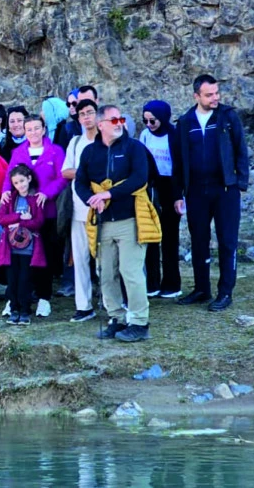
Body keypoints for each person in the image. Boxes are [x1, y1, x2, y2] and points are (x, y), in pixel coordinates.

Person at [75, 105, 157, 343]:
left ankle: (140, 322)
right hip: (103, 222)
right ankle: (117, 318)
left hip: (131, 219)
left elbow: (139, 178)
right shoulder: (90, 152)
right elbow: (80, 183)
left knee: (131, 272)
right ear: (100, 125)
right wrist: (91, 199)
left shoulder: (134, 148)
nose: (119, 123)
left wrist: (107, 195)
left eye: (121, 118)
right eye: (113, 120)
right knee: (106, 273)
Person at [172, 74, 249, 312]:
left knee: (227, 242)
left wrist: (240, 183)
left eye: (216, 93)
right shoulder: (185, 122)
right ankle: (201, 288)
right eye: (209, 95)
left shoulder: (228, 117)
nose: (215, 98)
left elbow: (241, 150)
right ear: (196, 96)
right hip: (196, 191)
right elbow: (178, 161)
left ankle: (225, 291)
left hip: (225, 189)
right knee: (199, 241)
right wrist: (178, 193)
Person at [0, 115, 67, 317]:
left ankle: (44, 298)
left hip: (46, 212)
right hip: (21, 213)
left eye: (37, 128)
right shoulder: (18, 152)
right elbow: (9, 176)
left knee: (44, 256)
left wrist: (47, 193)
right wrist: (5, 193)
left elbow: (62, 176)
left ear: (44, 129)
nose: (33, 133)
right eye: (29, 129)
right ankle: (15, 300)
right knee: (18, 259)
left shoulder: (55, 151)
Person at [61, 99, 100, 322]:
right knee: (80, 259)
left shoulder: (107, 140)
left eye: (90, 112)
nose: (86, 117)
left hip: (103, 208)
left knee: (105, 261)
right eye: (82, 114)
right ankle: (84, 305)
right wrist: (86, 173)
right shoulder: (75, 142)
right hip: (78, 208)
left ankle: (110, 302)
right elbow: (66, 171)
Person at [139, 100, 183, 297]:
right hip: (151, 188)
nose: (149, 125)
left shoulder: (175, 137)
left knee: (170, 237)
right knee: (151, 235)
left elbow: (179, 167)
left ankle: (172, 283)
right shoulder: (145, 136)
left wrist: (178, 196)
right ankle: (152, 282)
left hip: (171, 189)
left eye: (153, 121)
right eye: (145, 121)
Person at [0, 164, 48, 326]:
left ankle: (25, 310)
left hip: (29, 248)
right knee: (12, 280)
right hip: (10, 248)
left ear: (29, 179)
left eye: (22, 181)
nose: (20, 185)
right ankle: (14, 309)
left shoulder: (36, 198)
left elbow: (39, 221)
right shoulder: (10, 198)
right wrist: (20, 217)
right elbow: (1, 219)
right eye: (16, 183)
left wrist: (26, 222)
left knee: (25, 279)